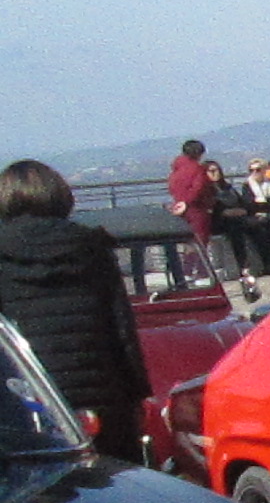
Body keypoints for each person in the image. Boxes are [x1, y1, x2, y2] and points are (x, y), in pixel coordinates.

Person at [0, 159, 151, 463]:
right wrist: (137, 392)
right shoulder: (92, 246)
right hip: (103, 397)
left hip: (31, 400)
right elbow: (121, 328)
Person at [203, 160, 266, 298]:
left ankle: (267, 261)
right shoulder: (206, 190)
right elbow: (214, 210)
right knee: (235, 229)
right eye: (210, 171)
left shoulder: (228, 187)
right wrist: (227, 213)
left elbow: (243, 203)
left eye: (216, 170)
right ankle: (243, 265)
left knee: (260, 225)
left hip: (237, 217)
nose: (215, 173)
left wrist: (242, 210)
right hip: (219, 222)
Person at [165, 138, 214, 251]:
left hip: (180, 208)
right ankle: (200, 268)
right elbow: (199, 189)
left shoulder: (176, 170)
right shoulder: (197, 169)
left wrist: (180, 201)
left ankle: (186, 268)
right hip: (196, 209)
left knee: (187, 243)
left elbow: (172, 187)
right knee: (199, 242)